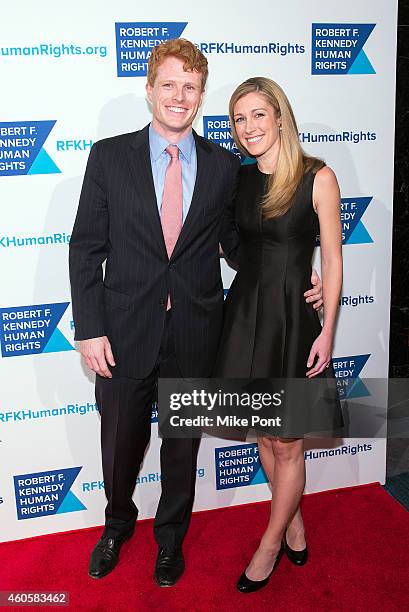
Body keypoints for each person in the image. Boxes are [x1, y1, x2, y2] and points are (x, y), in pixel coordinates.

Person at [69, 40, 323, 588]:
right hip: (123, 332)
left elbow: (239, 242)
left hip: (196, 331)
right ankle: (116, 526)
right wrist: (89, 328)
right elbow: (85, 247)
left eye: (190, 87)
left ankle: (170, 540)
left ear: (200, 95)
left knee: (181, 451)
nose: (178, 96)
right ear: (151, 89)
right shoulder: (109, 156)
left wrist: (301, 273)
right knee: (119, 445)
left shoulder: (224, 165)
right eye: (169, 84)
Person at [214, 77, 343, 593]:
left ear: (281, 116)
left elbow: (332, 260)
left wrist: (328, 329)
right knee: (267, 435)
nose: (249, 128)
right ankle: (291, 520)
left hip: (293, 320)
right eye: (240, 119)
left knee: (289, 442)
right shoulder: (239, 181)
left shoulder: (318, 176)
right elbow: (234, 246)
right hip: (246, 317)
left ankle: (268, 546)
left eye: (259, 115)